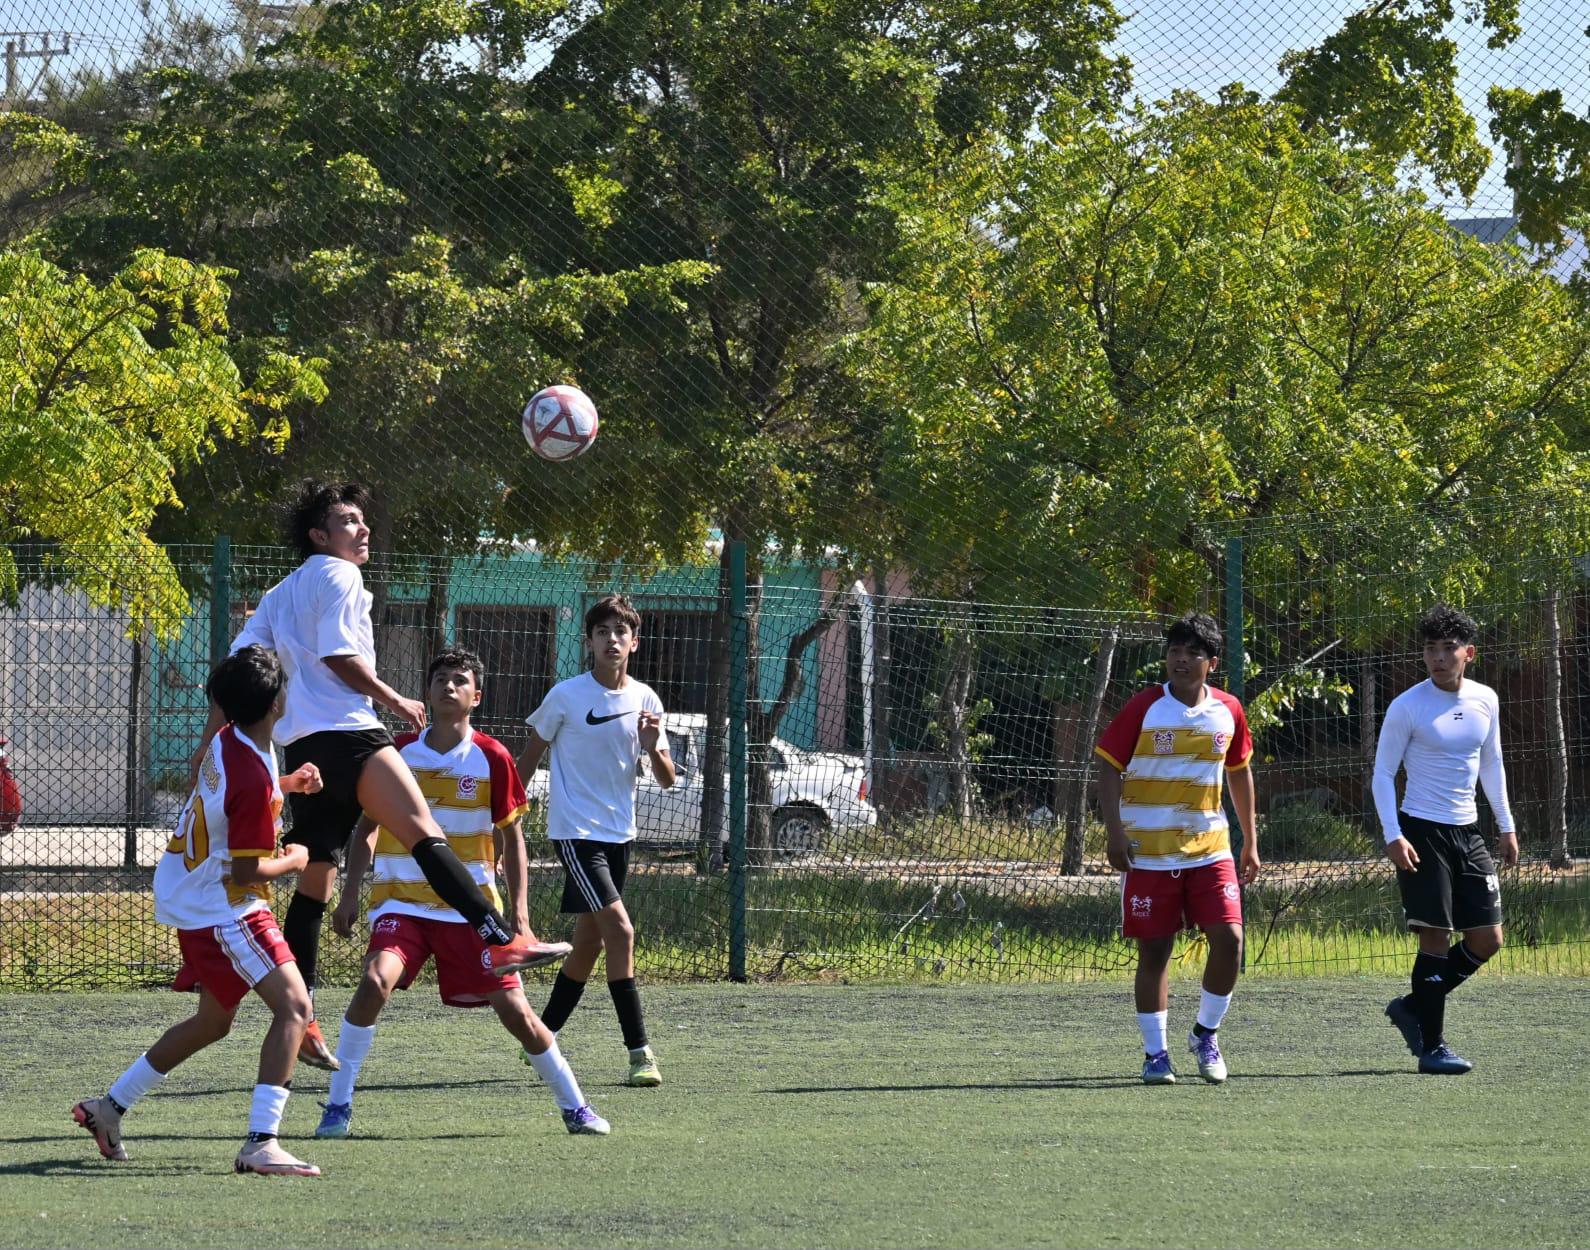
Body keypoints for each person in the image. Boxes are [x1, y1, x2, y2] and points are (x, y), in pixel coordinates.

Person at [192, 481, 569, 1069]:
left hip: (305, 752)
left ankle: (305, 1015)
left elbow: (237, 671)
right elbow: (342, 660)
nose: (362, 530)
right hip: (352, 736)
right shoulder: (339, 576)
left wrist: (207, 747)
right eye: (348, 521)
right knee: (424, 834)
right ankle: (503, 938)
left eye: (363, 520)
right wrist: (396, 701)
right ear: (320, 536)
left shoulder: (280, 592)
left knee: (315, 881)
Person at [317, 648, 609, 1137]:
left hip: (470, 915)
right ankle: (337, 1105)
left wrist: (520, 914)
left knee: (516, 1013)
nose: (448, 687)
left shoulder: (492, 756)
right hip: (401, 904)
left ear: (477, 695)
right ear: (426, 693)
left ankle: (575, 1106)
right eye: (439, 680)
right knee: (372, 983)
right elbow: (366, 826)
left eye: (459, 680)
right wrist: (349, 892)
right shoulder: (397, 752)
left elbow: (512, 839)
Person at [74, 647, 325, 1175]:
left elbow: (226, 800)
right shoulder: (252, 770)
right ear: (277, 702)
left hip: (190, 897)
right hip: (225, 906)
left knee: (213, 1021)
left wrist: (287, 786)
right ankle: (262, 1142)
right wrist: (297, 859)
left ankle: (108, 1108)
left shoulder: (230, 740)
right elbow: (247, 871)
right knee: (295, 1009)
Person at [1095, 611, 1260, 1085]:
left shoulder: (1228, 709)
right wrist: (1114, 833)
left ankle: (1205, 1034)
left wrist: (1249, 840)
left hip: (1211, 849)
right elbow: (1107, 766)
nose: (1180, 660)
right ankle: (1155, 1055)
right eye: (1174, 652)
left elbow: (1240, 770)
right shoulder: (1144, 707)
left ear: (1211, 662)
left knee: (1229, 940)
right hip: (1148, 852)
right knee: (1155, 952)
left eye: (1191, 653)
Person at [517, 594, 675, 1086]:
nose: (612, 639)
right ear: (588, 642)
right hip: (575, 835)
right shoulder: (566, 695)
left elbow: (667, 778)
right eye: (602, 631)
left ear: (635, 642)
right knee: (621, 933)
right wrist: (506, 816)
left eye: (620, 632)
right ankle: (640, 1053)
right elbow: (527, 757)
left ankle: (539, 1037)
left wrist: (653, 749)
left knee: (587, 944)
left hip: (618, 836)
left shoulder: (647, 699)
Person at [1375, 604, 1518, 1075]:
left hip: (1468, 831)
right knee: (1434, 938)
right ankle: (1432, 1047)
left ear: (1468, 653)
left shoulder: (1486, 700)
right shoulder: (1407, 705)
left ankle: (1413, 1006)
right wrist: (1393, 835)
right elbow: (1381, 775)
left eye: (1448, 648)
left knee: (1488, 938)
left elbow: (1492, 764)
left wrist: (1506, 824)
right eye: (1430, 649)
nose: (1438, 657)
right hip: (1420, 830)